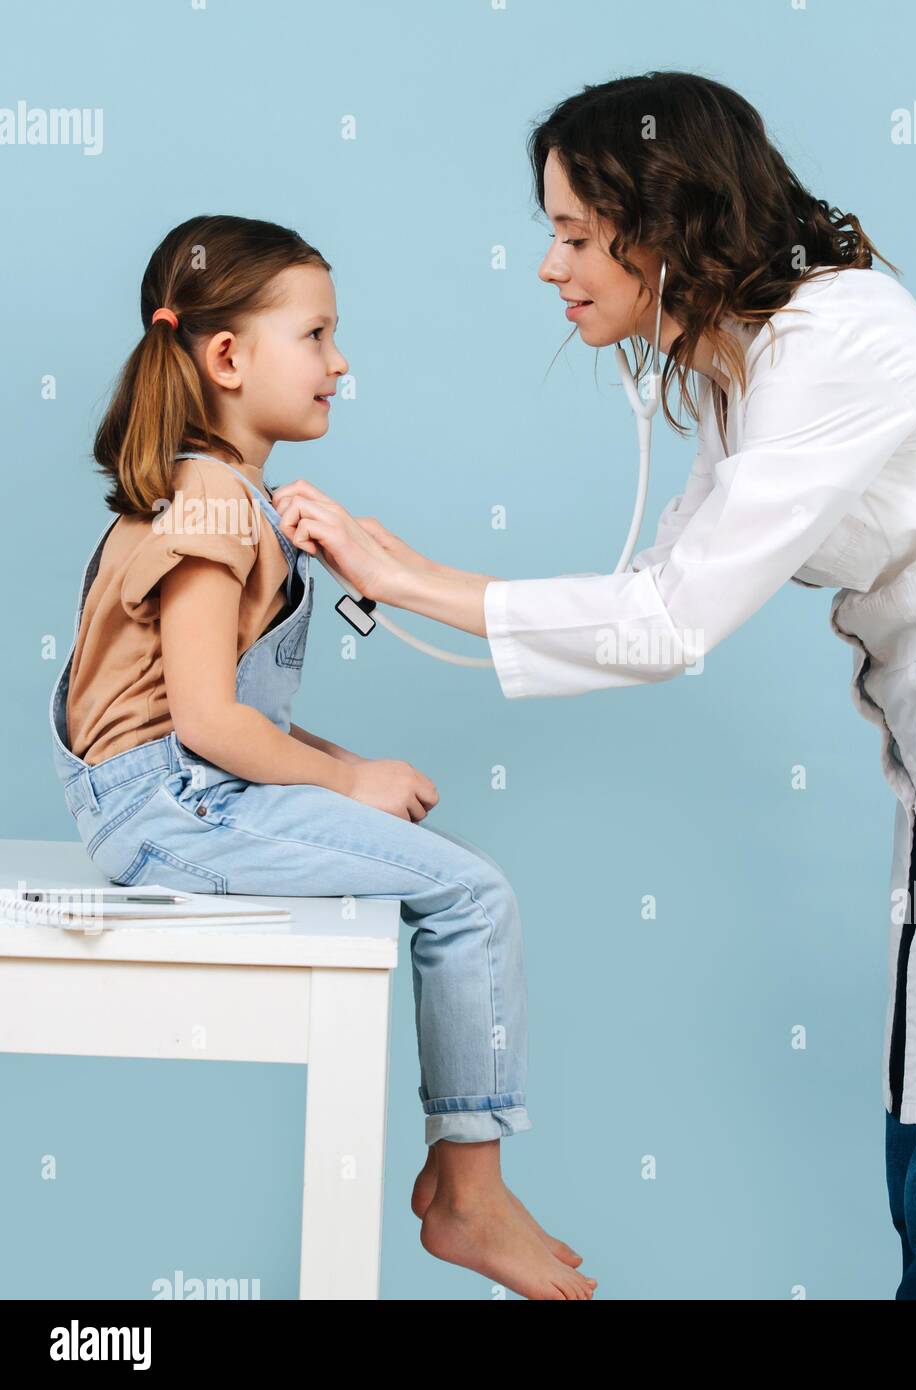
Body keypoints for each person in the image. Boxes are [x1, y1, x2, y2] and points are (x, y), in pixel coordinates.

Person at [273, 72, 916, 1299]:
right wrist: (414, 576)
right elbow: (656, 588)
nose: (548, 265)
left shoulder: (827, 347)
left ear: (664, 220)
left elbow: (669, 621)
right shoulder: (756, 364)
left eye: (575, 233)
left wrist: (410, 579)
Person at [48, 214, 596, 1300]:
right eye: (317, 335)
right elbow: (203, 724)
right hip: (165, 803)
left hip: (175, 794)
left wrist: (350, 765)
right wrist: (348, 782)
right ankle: (468, 1192)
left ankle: (465, 1180)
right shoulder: (208, 499)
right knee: (473, 894)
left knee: (447, 880)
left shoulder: (222, 492)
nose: (340, 363)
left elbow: (213, 718)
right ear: (226, 356)